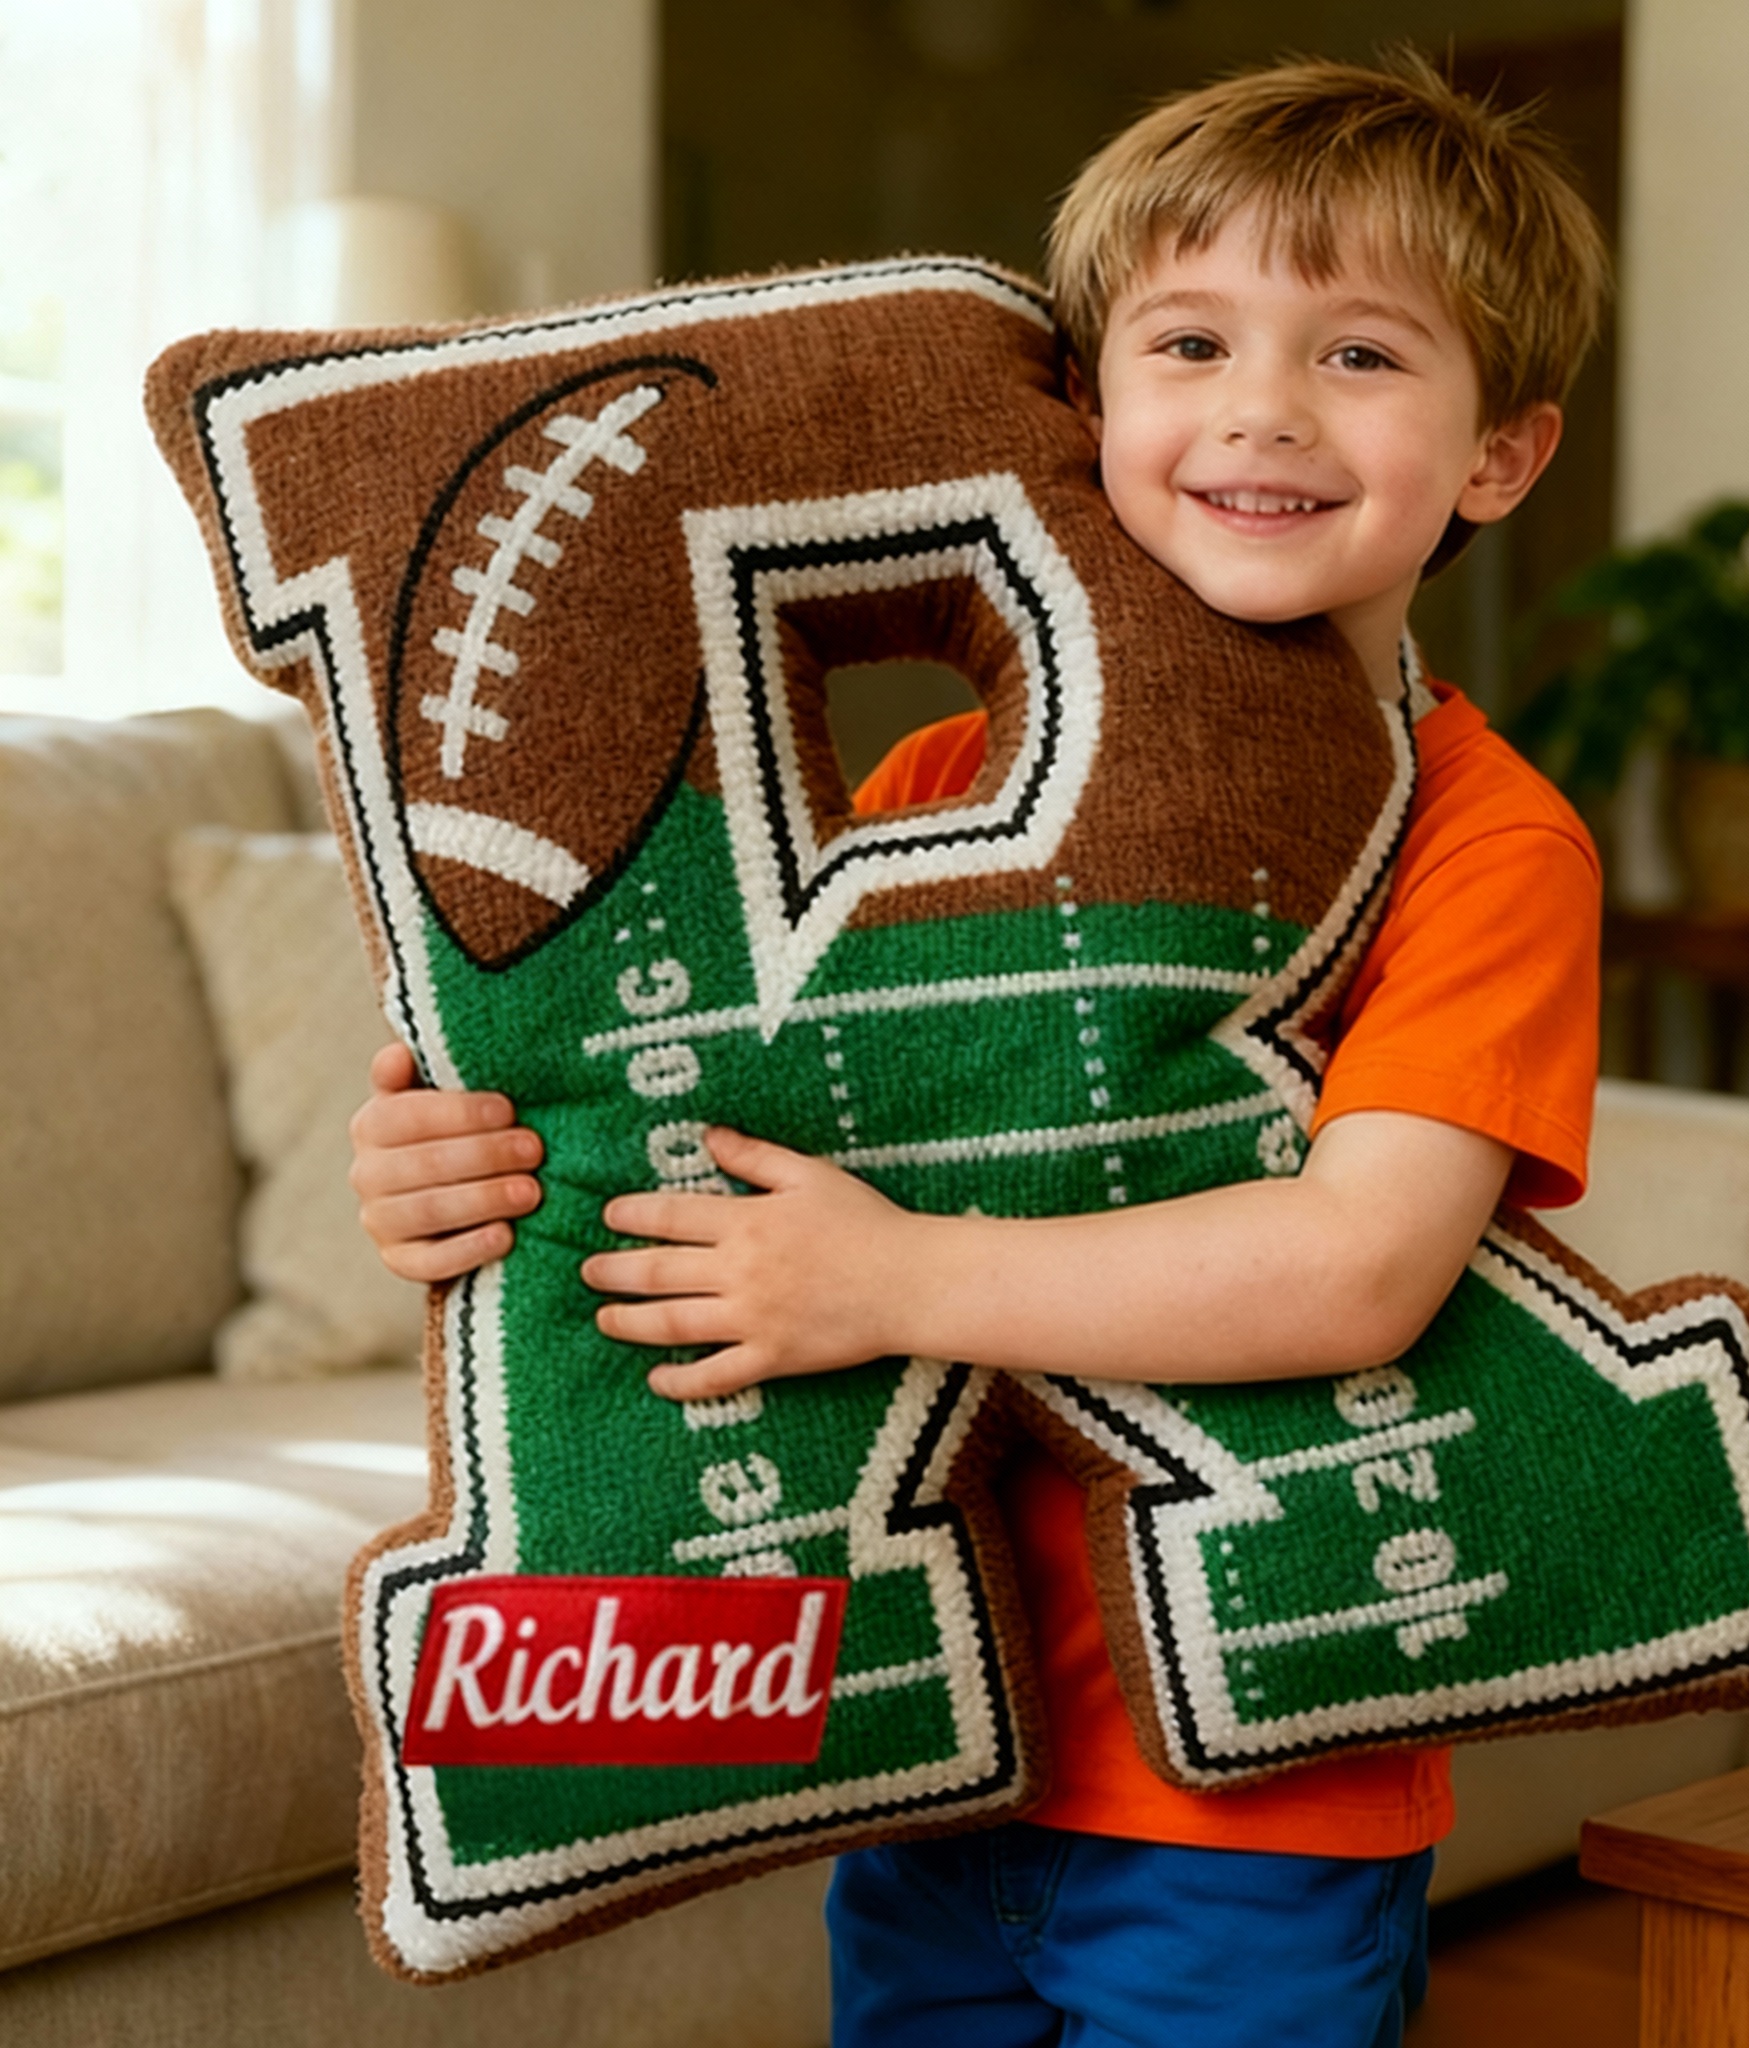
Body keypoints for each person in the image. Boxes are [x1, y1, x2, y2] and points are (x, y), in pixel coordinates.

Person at [349, 51, 1608, 2047]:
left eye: (1362, 355)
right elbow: (707, 1132)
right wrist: (460, 1175)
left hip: (1260, 1780)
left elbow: (1361, 1267)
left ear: (1498, 457)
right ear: (1089, 405)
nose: (1263, 408)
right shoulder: (948, 779)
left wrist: (890, 1275)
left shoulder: (1486, 839)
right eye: (1189, 340)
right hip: (928, 1734)